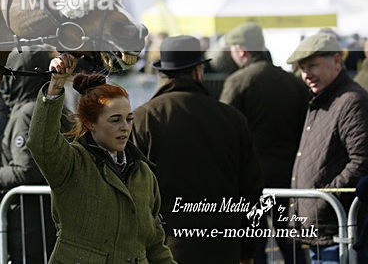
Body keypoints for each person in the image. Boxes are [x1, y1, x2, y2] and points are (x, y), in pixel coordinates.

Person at [27, 53, 175, 263]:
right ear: (90, 124)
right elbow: (41, 143)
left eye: (129, 119)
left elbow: (155, 246)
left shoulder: (143, 174)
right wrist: (55, 87)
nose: (125, 127)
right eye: (115, 120)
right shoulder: (73, 162)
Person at [131, 35, 263, 264]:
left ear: (162, 74)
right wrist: (248, 250)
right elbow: (251, 190)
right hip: (224, 248)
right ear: (198, 72)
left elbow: (133, 193)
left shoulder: (143, 119)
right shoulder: (232, 118)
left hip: (165, 250)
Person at [219, 22, 310, 263]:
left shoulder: (238, 81)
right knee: (291, 245)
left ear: (241, 50)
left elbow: (225, 130)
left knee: (254, 246)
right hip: (289, 175)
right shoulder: (292, 82)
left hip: (250, 178)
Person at [0, 48, 59, 263]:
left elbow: (25, 170)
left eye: (6, 77)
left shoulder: (27, 114)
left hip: (33, 227)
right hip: (44, 222)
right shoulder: (48, 107)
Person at [286, 32, 368, 263]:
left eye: (313, 66)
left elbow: (362, 161)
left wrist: (325, 197)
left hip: (337, 230)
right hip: (324, 228)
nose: (306, 75)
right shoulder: (323, 100)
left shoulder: (351, 101)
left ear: (337, 61)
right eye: (303, 68)